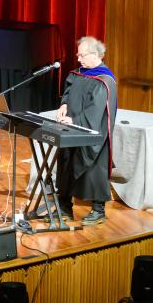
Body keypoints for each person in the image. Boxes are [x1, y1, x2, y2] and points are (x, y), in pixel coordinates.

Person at [55, 36, 118, 226]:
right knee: (66, 163)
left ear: (95, 55)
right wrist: (64, 104)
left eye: (82, 55)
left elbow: (95, 110)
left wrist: (75, 120)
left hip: (92, 131)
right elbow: (68, 91)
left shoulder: (104, 80)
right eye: (78, 55)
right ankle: (64, 206)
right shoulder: (79, 73)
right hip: (71, 126)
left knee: (93, 169)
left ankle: (98, 210)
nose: (78, 59)